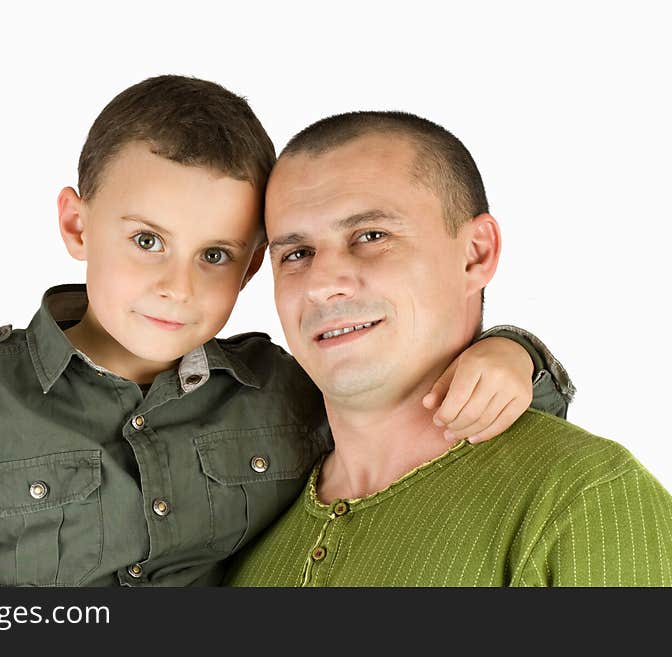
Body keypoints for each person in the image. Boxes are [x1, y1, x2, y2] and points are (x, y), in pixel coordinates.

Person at [0, 78, 569, 587]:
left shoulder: (280, 389)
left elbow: (415, 410)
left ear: (250, 267)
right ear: (75, 224)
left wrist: (512, 353)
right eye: (147, 240)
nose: (177, 287)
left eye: (213, 255)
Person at [224, 111, 672, 587]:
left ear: (476, 253)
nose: (323, 284)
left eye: (372, 236)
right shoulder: (238, 524)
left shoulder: (585, 499)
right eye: (296, 254)